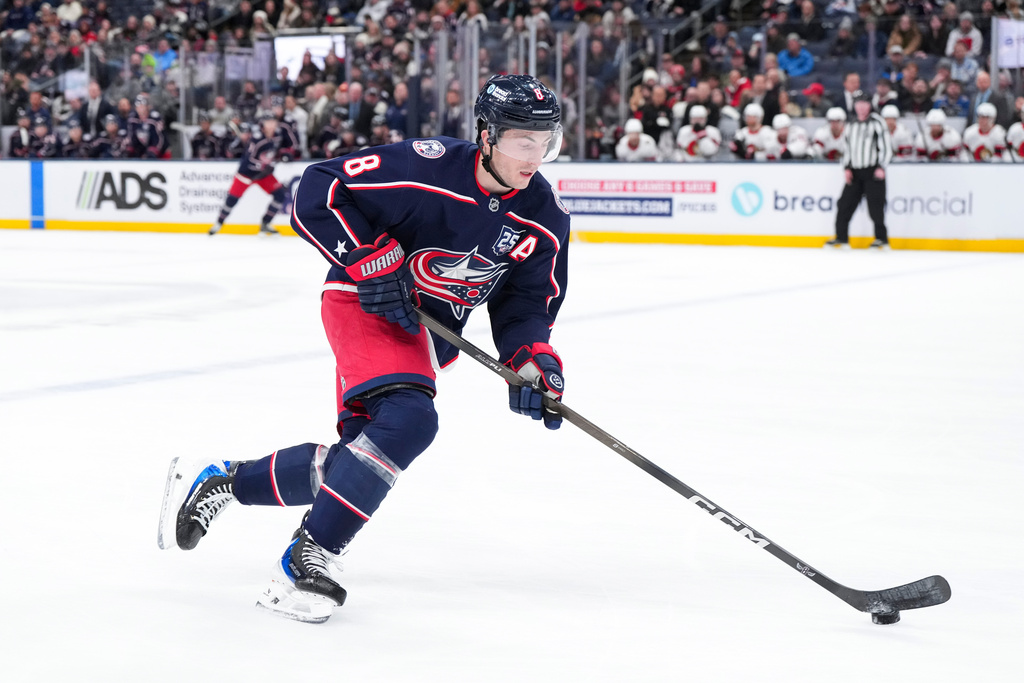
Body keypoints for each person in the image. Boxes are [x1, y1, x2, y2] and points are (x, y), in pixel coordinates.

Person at [160, 74, 570, 624]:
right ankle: (308, 558)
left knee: (357, 463)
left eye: (546, 142)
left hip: (426, 336)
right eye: (524, 140)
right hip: (364, 302)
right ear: (487, 135)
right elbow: (318, 189)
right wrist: (366, 256)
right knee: (409, 421)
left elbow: (523, 310)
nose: (535, 156)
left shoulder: (544, 218)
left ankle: (223, 481)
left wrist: (533, 364)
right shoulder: (424, 167)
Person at [826, 92, 892, 249]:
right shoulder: (851, 124)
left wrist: (881, 166)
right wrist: (847, 168)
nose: (861, 107)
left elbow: (886, 147)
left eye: (864, 103)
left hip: (873, 171)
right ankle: (841, 237)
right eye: (858, 103)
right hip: (855, 172)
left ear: (869, 105)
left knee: (875, 207)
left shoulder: (877, 123)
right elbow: (847, 148)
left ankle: (881, 238)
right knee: (844, 205)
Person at [208, 113, 287, 235]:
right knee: (232, 199)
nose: (271, 125)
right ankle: (219, 223)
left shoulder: (277, 136)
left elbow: (274, 153)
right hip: (246, 174)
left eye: (273, 122)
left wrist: (285, 155)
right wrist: (266, 166)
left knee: (280, 194)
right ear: (263, 124)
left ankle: (266, 223)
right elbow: (250, 159)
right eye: (268, 122)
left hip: (263, 174)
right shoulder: (257, 138)